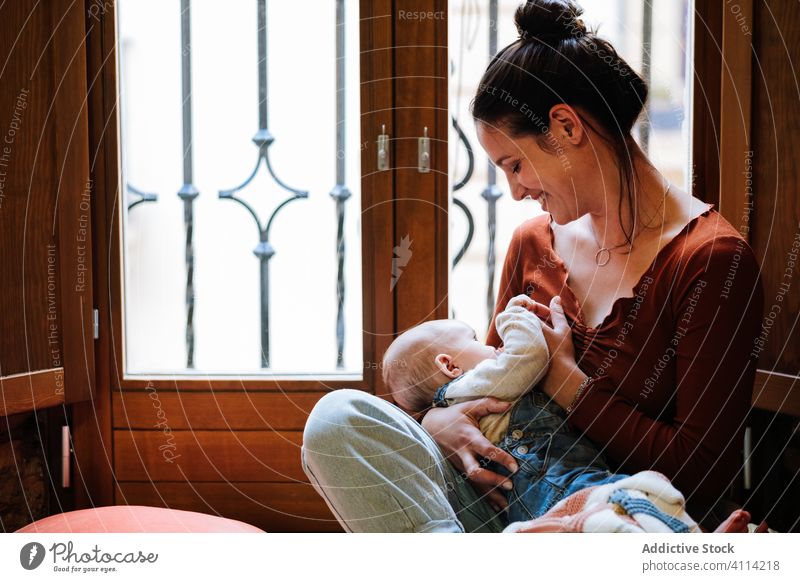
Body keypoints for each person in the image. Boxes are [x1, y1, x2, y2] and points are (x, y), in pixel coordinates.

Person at [301, 0, 764, 533]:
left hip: (623, 522)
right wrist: (440, 420)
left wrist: (566, 380)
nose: (515, 190)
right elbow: (493, 390)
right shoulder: (532, 244)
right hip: (507, 508)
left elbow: (702, 476)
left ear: (566, 126)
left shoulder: (710, 263)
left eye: (514, 164)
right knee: (339, 421)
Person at [382, 293, 631, 524]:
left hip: (538, 502)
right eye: (474, 340)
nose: (493, 345)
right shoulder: (474, 384)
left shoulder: (461, 395)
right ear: (450, 366)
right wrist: (513, 316)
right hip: (559, 487)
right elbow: (527, 356)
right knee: (628, 506)